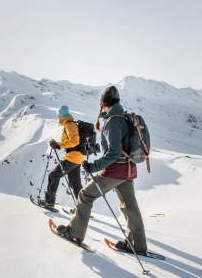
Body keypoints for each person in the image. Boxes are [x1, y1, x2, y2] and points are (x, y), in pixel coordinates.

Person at [57, 86, 148, 255]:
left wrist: (94, 166)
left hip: (114, 171)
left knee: (85, 195)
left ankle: (75, 234)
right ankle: (138, 245)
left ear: (103, 104)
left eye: (101, 104)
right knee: (130, 206)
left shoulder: (113, 121)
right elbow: (114, 146)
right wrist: (94, 147)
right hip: (127, 170)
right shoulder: (123, 118)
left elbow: (113, 153)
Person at [42, 105, 84, 207]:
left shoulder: (69, 125)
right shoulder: (71, 124)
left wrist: (59, 145)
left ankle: (49, 202)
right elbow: (71, 141)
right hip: (77, 157)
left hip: (72, 157)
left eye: (58, 115)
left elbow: (74, 141)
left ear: (60, 116)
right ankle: (83, 209)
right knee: (75, 183)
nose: (57, 117)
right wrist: (57, 143)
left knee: (54, 175)